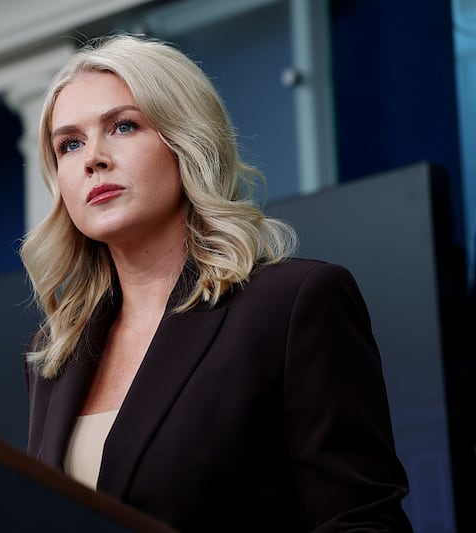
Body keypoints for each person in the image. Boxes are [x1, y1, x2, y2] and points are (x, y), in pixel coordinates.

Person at [20, 33, 412, 532]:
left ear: (187, 140)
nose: (92, 158)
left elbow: (360, 522)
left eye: (123, 126)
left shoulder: (293, 304)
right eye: (69, 144)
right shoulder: (54, 353)